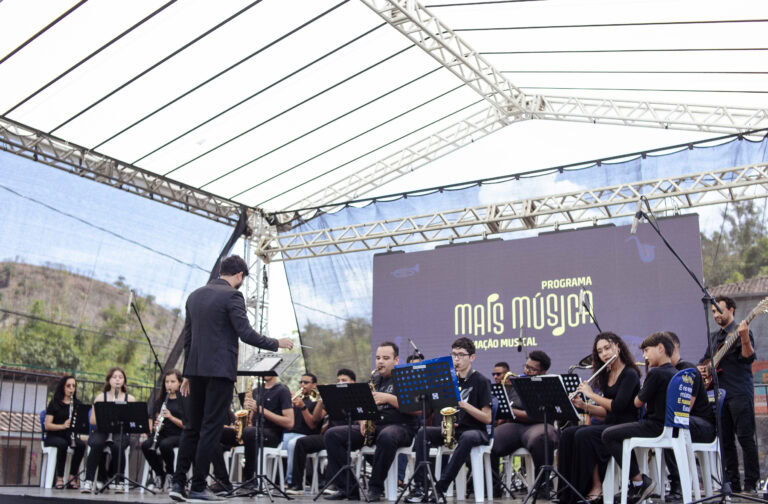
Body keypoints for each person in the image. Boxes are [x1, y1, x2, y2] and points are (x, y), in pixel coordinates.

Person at [169, 255, 293, 503]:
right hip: (219, 373)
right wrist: (276, 343)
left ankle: (177, 483)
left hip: (195, 371)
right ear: (239, 276)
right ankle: (198, 486)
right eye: (242, 280)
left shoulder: (194, 296)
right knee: (210, 429)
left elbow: (188, 340)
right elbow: (246, 333)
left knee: (192, 428)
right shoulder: (233, 296)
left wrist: (187, 375)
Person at [324, 342, 417, 501]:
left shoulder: (406, 377)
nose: (380, 361)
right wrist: (362, 422)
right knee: (332, 435)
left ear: (396, 360)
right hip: (375, 425)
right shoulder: (374, 378)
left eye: (386, 358)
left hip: (401, 427)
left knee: (387, 435)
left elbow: (417, 408)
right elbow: (361, 407)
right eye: (378, 358)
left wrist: (388, 398)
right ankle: (349, 489)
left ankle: (375, 487)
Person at [557, 333, 641, 504]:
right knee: (568, 434)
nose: (604, 354)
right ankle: (567, 492)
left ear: (618, 346)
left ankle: (595, 487)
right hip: (610, 424)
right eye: (600, 351)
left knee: (584, 435)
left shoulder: (630, 374)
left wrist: (590, 395)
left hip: (625, 426)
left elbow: (618, 406)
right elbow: (606, 412)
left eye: (607, 348)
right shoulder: (606, 374)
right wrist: (584, 405)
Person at [405, 337, 492, 503]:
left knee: (467, 437)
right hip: (454, 428)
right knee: (424, 432)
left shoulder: (481, 381)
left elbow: (487, 418)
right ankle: (420, 487)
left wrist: (464, 405)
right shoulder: (448, 380)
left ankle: (440, 489)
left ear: (472, 357)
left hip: (476, 432)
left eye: (461, 355)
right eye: (453, 355)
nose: (456, 359)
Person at [602, 333, 679, 504]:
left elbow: (637, 402)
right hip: (672, 427)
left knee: (608, 435)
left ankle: (638, 481)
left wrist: (643, 388)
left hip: (655, 426)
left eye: (646, 351)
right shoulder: (677, 372)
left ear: (660, 348)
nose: (644, 356)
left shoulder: (656, 374)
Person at [698, 295, 759, 494]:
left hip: (739, 392)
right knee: (725, 441)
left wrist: (743, 337)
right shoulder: (715, 337)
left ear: (731, 310)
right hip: (718, 395)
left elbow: (748, 358)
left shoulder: (741, 331)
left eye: (719, 310)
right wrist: (703, 369)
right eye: (714, 311)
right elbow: (706, 361)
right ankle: (732, 484)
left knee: (745, 438)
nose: (716, 315)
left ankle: (751, 484)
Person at [490, 350, 558, 496]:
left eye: (532, 369)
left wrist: (512, 411)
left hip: (539, 425)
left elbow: (538, 415)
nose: (526, 371)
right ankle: (493, 487)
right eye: (526, 366)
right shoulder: (517, 383)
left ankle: (543, 486)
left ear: (543, 372)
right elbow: (509, 407)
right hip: (516, 426)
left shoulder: (548, 385)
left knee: (541, 437)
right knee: (488, 440)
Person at [662, 331, 715, 501]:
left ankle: (679, 486)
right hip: (687, 422)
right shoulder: (666, 371)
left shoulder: (686, 369)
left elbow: (685, 408)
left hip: (703, 425)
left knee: (673, 424)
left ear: (673, 347)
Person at [286, 369, 357, 495]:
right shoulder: (333, 397)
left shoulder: (358, 397)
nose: (340, 383)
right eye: (338, 380)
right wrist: (321, 400)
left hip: (349, 435)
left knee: (334, 442)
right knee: (301, 442)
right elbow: (315, 419)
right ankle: (297, 485)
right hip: (329, 435)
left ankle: (333, 483)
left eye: (344, 380)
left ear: (353, 382)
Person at [82, 367, 136, 493]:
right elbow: (92, 420)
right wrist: (107, 418)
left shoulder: (130, 398)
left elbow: (133, 422)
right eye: (114, 377)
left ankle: (119, 481)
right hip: (102, 430)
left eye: (120, 377)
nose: (117, 379)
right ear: (109, 380)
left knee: (118, 446)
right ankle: (89, 480)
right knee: (96, 443)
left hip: (120, 431)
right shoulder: (101, 397)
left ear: (124, 381)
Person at [240, 374, 294, 485]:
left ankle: (249, 478)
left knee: (250, 433)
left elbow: (289, 423)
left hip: (273, 434)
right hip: (253, 431)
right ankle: (222, 479)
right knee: (220, 432)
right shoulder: (256, 391)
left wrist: (260, 409)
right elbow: (251, 418)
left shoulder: (282, 390)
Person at [141, 369, 185, 492]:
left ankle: (171, 474)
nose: (169, 384)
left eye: (173, 381)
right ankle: (160, 474)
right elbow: (154, 423)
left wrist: (170, 417)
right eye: (167, 381)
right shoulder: (160, 401)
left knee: (165, 445)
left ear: (180, 383)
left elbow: (187, 425)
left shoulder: (184, 401)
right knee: (146, 445)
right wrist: (156, 426)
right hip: (163, 434)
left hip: (179, 435)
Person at [44, 375, 87, 489]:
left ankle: (72, 477)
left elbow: (81, 424)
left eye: (73, 386)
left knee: (81, 445)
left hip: (68, 435)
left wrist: (77, 422)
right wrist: (63, 425)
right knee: (62, 444)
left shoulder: (77, 404)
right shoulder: (54, 403)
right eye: (68, 386)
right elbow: (47, 425)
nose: (71, 388)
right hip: (54, 435)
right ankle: (59, 478)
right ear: (63, 387)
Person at [283, 373, 321, 491]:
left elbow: (312, 425)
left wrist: (303, 407)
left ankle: (291, 481)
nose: (302, 385)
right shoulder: (297, 399)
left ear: (314, 385)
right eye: (301, 382)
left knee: (292, 444)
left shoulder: (316, 401)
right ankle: (277, 479)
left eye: (306, 382)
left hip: (306, 435)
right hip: (290, 433)